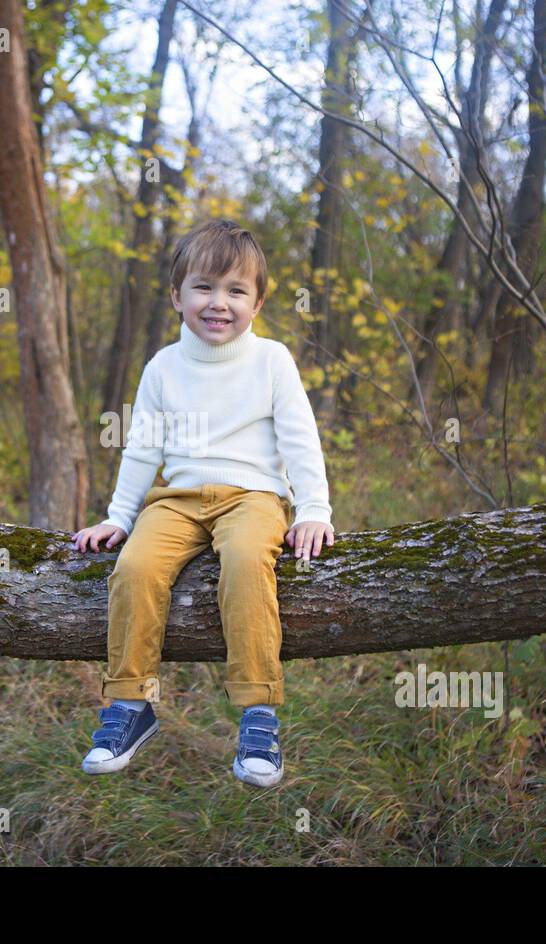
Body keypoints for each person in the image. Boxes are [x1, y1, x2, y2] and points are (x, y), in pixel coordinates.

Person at [71, 218, 336, 787]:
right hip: (178, 499)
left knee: (245, 561)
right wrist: (119, 517)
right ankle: (131, 704)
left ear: (258, 302)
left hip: (255, 496)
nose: (219, 303)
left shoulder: (272, 361)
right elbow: (142, 448)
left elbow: (300, 439)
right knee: (135, 567)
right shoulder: (163, 367)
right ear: (177, 296)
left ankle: (258, 713)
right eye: (204, 287)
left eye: (236, 291)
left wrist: (314, 509)